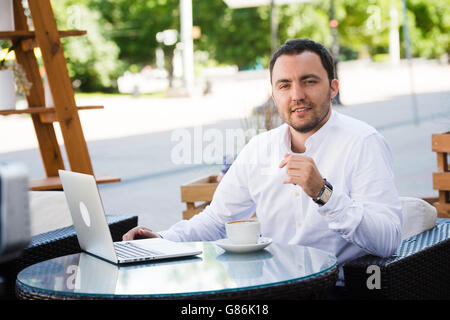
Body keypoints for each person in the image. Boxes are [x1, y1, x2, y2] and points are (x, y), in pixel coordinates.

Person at [123, 39, 402, 280]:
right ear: (273, 94)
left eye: (309, 81)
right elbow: (216, 221)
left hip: (339, 288)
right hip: (272, 286)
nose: (297, 95)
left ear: (332, 88)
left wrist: (324, 193)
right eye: (284, 85)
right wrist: (161, 240)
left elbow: (387, 241)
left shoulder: (363, 143)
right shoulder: (259, 148)